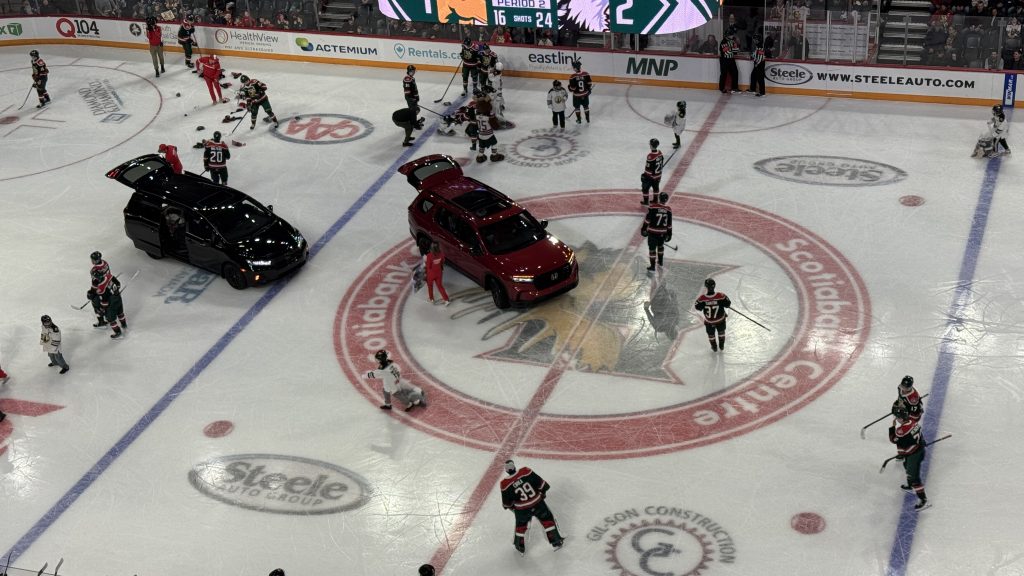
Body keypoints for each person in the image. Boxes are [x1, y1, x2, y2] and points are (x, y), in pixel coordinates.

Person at [499, 459, 564, 555]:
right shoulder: (526, 471)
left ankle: (519, 546)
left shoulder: (504, 484)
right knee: (547, 520)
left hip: (522, 510)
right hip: (537, 503)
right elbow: (543, 485)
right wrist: (542, 495)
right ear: (514, 466)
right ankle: (556, 542)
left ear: (506, 470)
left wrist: (516, 509)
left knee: (520, 527)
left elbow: (507, 504)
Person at [889, 406, 929, 510]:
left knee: (913, 476)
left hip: (913, 454)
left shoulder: (901, 430)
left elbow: (893, 439)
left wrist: (892, 428)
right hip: (918, 449)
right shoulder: (913, 421)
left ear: (901, 418)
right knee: (906, 465)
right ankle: (911, 486)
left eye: (896, 417)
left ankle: (923, 500)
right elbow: (919, 434)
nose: (896, 419)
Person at [694, 278, 730, 352]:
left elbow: (697, 307)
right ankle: (721, 346)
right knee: (721, 332)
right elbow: (728, 304)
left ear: (706, 287)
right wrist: (720, 303)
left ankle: (714, 347)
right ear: (714, 286)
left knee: (711, 335)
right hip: (720, 320)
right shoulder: (721, 296)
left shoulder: (702, 298)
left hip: (709, 322)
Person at [641, 191, 672, 272]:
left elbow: (648, 219)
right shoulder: (668, 209)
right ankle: (660, 262)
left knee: (652, 249)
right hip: (662, 233)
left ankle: (652, 266)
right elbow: (669, 224)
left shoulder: (653, 207)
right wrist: (669, 234)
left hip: (653, 232)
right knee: (660, 247)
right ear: (666, 200)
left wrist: (643, 228)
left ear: (659, 198)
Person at [474, 92, 504, 162]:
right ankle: (494, 155)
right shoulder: (488, 117)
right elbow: (495, 125)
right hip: (489, 134)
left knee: (481, 145)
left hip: (481, 134)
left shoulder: (477, 116)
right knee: (494, 143)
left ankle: (480, 156)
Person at [640, 138, 664, 206]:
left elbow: (648, 169)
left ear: (651, 145)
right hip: (658, 175)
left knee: (645, 188)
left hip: (651, 176)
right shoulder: (660, 152)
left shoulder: (650, 156)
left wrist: (644, 175)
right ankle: (655, 200)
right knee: (656, 187)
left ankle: (646, 201)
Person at [568, 59, 592, 124]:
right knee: (586, 107)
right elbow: (589, 83)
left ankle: (579, 120)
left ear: (575, 68)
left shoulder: (572, 77)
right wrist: (588, 90)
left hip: (577, 96)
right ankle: (588, 119)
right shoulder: (586, 74)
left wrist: (569, 87)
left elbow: (572, 88)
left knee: (577, 108)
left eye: (573, 67)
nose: (573, 68)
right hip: (585, 94)